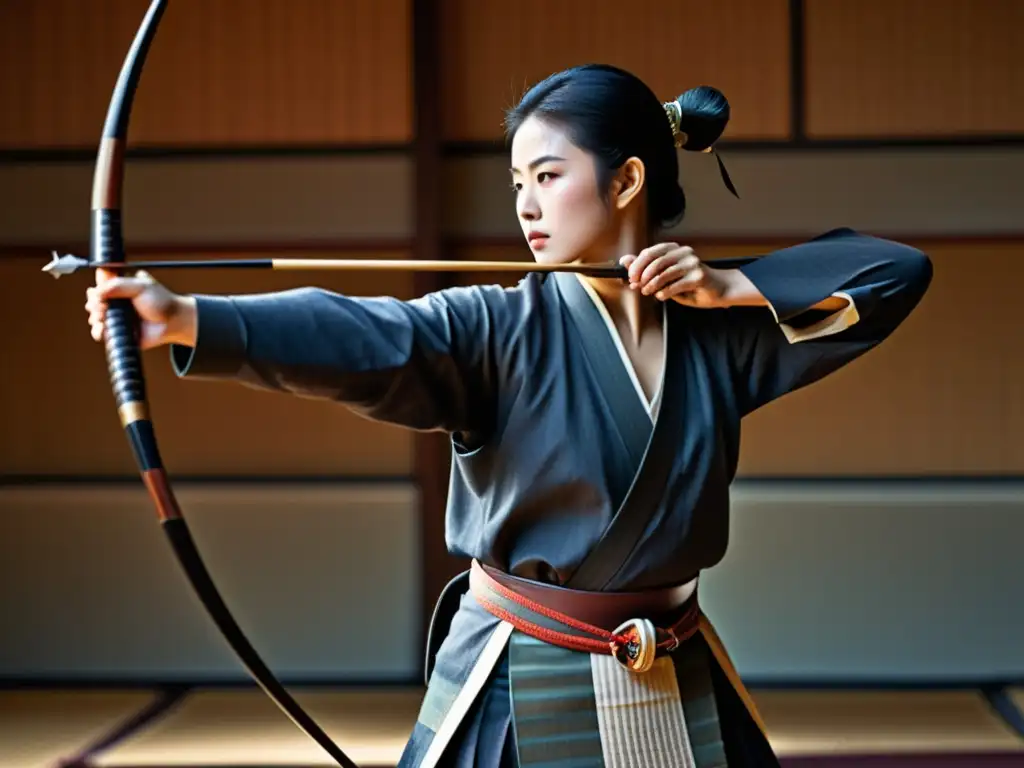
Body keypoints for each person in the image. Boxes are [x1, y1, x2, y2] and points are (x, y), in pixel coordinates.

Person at [85, 64, 932, 767]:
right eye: (518, 183)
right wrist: (193, 317)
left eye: (549, 177)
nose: (525, 205)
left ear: (628, 178)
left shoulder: (720, 337)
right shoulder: (494, 327)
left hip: (670, 664)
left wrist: (733, 287)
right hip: (516, 670)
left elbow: (894, 270)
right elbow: (370, 336)